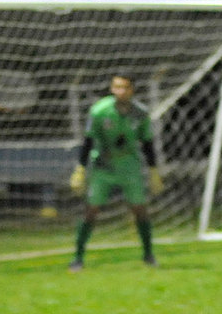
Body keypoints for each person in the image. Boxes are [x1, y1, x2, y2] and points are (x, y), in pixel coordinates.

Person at [68, 73, 164, 271]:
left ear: (132, 90)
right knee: (91, 210)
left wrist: (153, 170)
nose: (120, 91)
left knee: (139, 209)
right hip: (104, 164)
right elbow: (88, 141)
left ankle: (148, 254)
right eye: (117, 87)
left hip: (129, 164)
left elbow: (147, 143)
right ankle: (78, 258)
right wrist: (80, 169)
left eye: (125, 87)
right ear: (112, 89)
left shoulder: (140, 113)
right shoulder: (100, 111)